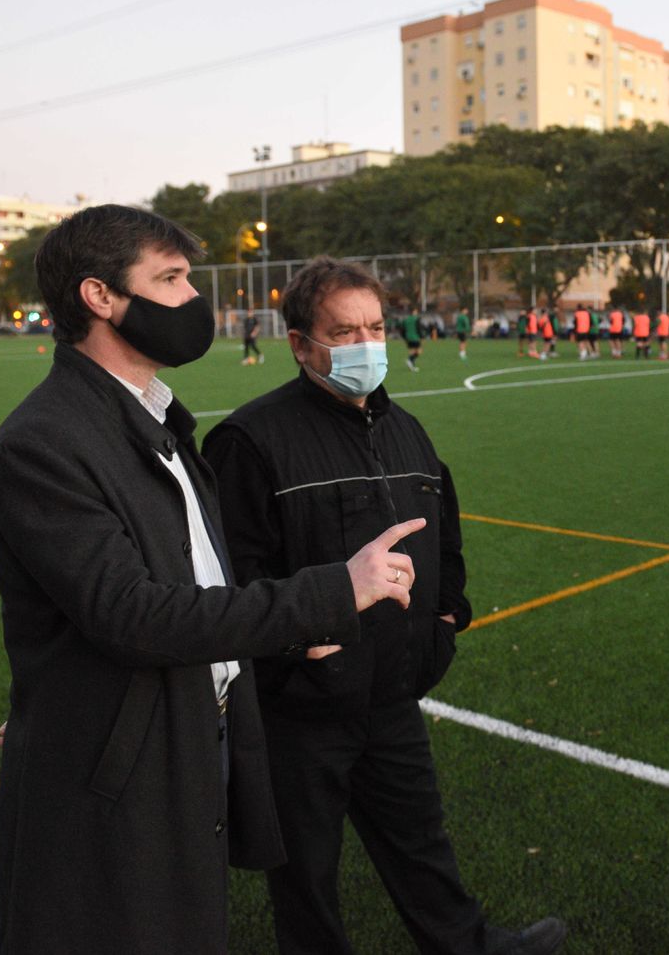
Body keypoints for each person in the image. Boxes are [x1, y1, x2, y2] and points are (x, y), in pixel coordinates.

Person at [0, 205, 419, 954]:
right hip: (125, 761)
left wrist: (286, 638)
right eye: (172, 279)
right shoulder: (45, 441)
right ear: (100, 297)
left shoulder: (154, 420)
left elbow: (201, 585)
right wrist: (330, 593)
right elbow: (133, 615)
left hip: (189, 729)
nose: (193, 301)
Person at [203, 257, 566, 955]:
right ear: (302, 344)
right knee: (305, 875)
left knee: (420, 842)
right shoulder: (251, 440)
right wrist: (288, 648)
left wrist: (445, 616)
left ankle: (472, 947)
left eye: (375, 326)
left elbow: (443, 535)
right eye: (344, 331)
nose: (367, 344)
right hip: (300, 708)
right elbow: (228, 574)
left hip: (392, 690)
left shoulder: (406, 429)